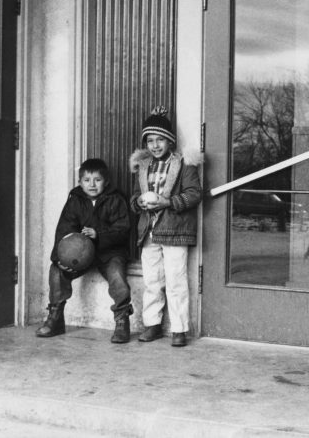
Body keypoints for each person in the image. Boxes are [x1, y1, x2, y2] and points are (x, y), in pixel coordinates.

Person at [36, 158, 133, 343]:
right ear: (80, 182)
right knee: (57, 270)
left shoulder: (116, 199)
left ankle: (122, 320)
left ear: (106, 181)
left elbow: (123, 230)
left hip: (109, 252)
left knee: (117, 275)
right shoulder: (75, 199)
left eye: (97, 180)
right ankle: (55, 317)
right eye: (87, 180)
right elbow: (64, 230)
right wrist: (60, 258)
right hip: (81, 254)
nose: (92, 184)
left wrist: (99, 235)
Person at [129, 106, 202, 347]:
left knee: (176, 281)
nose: (155, 145)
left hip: (175, 231)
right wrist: (139, 202)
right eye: (150, 140)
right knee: (152, 281)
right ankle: (152, 324)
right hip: (149, 232)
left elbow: (194, 195)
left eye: (160, 139)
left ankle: (179, 329)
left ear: (170, 141)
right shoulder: (143, 166)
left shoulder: (183, 164)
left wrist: (168, 202)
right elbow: (135, 195)